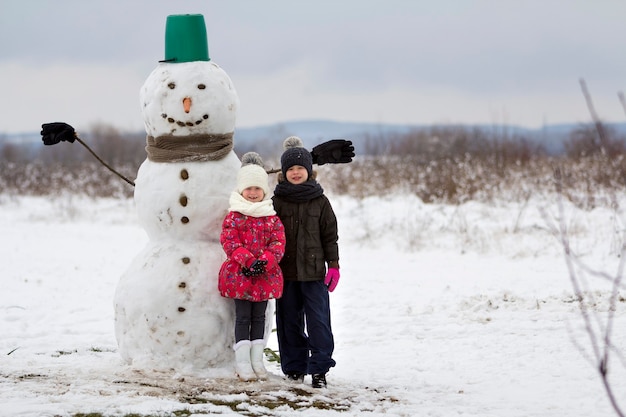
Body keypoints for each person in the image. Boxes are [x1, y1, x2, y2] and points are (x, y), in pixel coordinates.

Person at [272, 136, 341, 389]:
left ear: (309, 171)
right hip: (286, 273)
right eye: (290, 169)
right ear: (284, 172)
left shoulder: (320, 201)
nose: (296, 172)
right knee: (289, 322)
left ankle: (320, 369)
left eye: (300, 168)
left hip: (314, 274)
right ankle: (294, 368)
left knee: (319, 323)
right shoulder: (277, 201)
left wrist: (333, 265)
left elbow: (330, 235)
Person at [218, 152, 286, 381]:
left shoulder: (271, 217)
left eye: (257, 189)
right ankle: (243, 362)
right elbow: (229, 241)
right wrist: (248, 261)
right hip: (241, 275)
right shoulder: (234, 216)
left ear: (264, 191)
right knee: (243, 317)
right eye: (249, 189)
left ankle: (257, 361)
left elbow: (278, 243)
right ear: (241, 190)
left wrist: (264, 262)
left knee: (260, 318)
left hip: (264, 276)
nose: (253, 193)